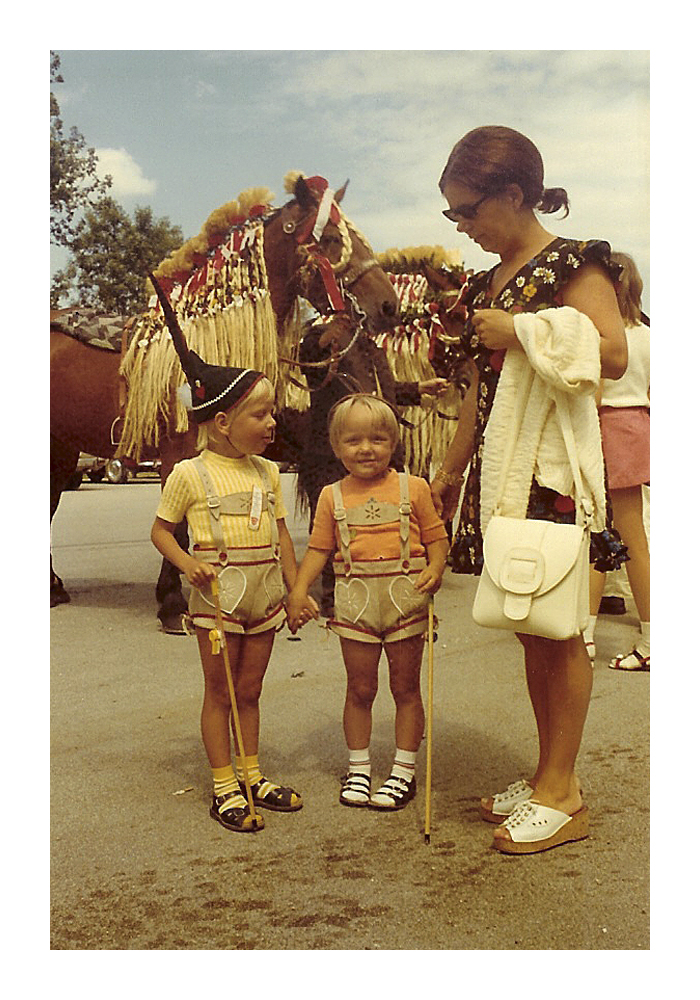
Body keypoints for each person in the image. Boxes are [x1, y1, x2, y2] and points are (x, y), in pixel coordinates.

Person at [430, 126, 629, 854]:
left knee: (560, 627)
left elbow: (609, 353)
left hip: (551, 472)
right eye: (454, 216)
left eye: (468, 210)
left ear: (514, 194)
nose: (464, 227)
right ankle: (548, 772)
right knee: (528, 622)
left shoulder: (577, 264)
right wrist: (449, 471)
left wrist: (520, 328)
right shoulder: (489, 281)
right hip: (501, 470)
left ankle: (564, 793)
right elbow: (479, 388)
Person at [151, 352, 317, 833]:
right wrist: (186, 564)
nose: (271, 423)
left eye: (271, 414)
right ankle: (224, 785)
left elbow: (282, 536)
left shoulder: (267, 472)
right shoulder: (189, 474)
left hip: (263, 598)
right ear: (223, 422)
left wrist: (294, 592)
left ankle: (252, 775)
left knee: (250, 690)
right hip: (218, 603)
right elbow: (161, 532)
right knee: (220, 690)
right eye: (260, 414)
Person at [287, 394, 449, 810]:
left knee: (405, 687)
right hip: (356, 605)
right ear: (337, 446)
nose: (366, 449)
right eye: (354, 440)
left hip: (405, 601)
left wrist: (435, 567)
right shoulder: (331, 496)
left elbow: (436, 537)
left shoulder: (413, 488)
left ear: (393, 442)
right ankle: (358, 769)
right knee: (359, 687)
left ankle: (403, 772)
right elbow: (320, 550)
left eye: (377, 439)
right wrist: (299, 591)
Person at [583, 252, 650, 670]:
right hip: (639, 428)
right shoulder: (649, 334)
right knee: (633, 541)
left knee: (596, 538)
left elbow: (595, 392)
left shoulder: (601, 336)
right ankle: (649, 636)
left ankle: (586, 638)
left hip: (603, 428)